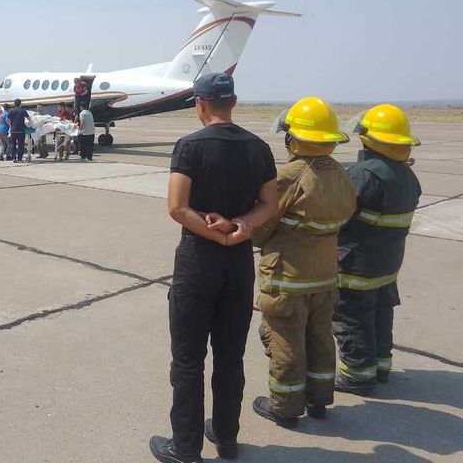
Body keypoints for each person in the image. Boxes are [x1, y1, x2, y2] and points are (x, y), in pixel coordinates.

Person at [149, 72, 277, 463]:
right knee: (229, 355)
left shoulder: (190, 146)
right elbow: (269, 205)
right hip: (238, 264)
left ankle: (185, 448)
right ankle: (226, 438)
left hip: (198, 261)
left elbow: (177, 207)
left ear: (199, 104)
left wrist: (215, 231)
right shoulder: (259, 148)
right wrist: (240, 229)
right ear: (233, 102)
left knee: (188, 358)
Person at [250, 97, 356, 429]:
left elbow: (262, 223)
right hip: (325, 276)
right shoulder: (340, 172)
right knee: (320, 337)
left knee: (286, 340)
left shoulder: (289, 175)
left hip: (288, 278)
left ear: (293, 137)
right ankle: (320, 399)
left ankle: (284, 406)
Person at [333, 104, 422, 395]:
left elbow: (339, 215)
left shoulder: (364, 174)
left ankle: (357, 375)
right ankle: (381, 365)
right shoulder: (408, 176)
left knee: (353, 318)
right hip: (388, 265)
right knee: (381, 314)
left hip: (358, 265)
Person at [6, 99, 31, 163]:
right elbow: (29, 118)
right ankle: (19, 158)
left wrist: (10, 125)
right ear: (20, 103)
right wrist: (30, 123)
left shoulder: (11, 111)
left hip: (13, 130)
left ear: (14, 104)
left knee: (13, 144)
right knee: (21, 145)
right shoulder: (23, 111)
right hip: (21, 130)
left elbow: (7, 119)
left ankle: (14, 158)